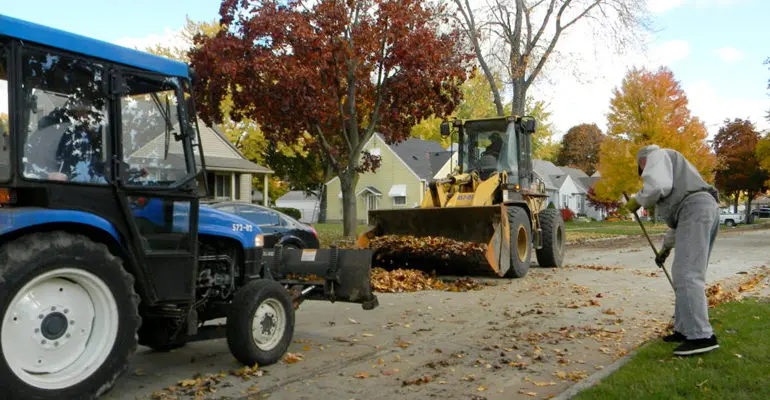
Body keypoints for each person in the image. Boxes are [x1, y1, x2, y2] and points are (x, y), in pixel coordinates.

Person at [625, 145, 721, 356]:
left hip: (696, 209)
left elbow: (657, 186)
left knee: (687, 274)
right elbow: (677, 227)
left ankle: (702, 337)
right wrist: (665, 250)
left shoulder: (655, 155)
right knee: (685, 274)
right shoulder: (674, 171)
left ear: (643, 162)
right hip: (700, 210)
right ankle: (684, 329)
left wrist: (638, 200)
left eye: (643, 171)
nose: (644, 174)